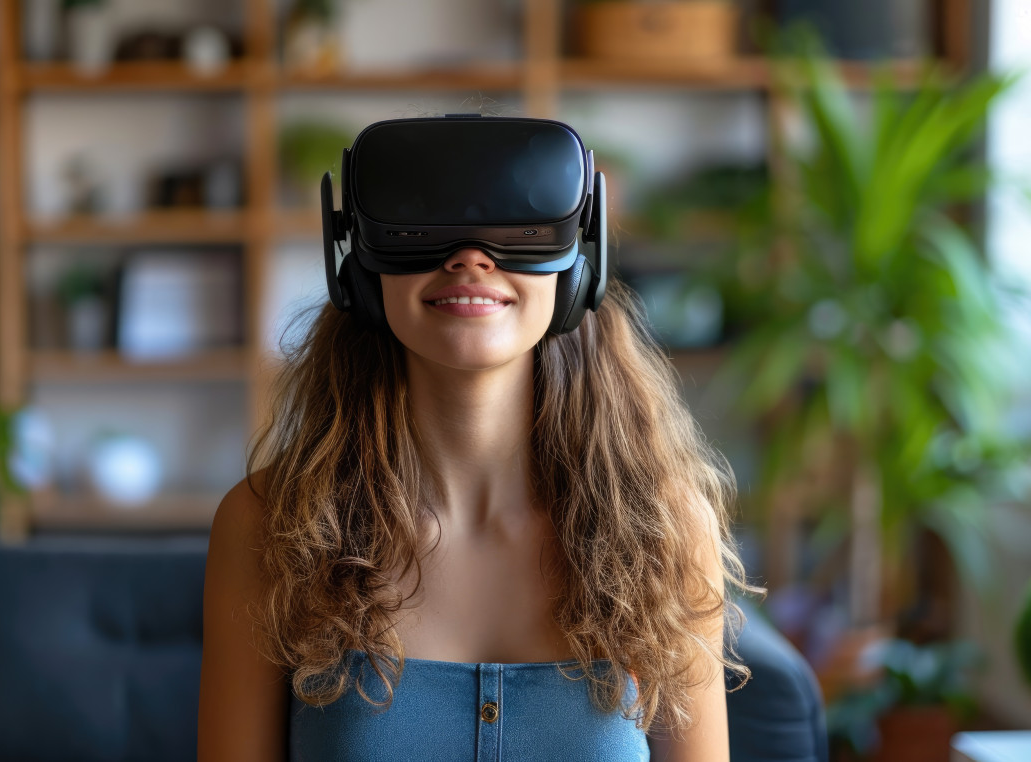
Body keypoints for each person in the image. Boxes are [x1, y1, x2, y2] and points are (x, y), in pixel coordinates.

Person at [198, 117, 756, 761]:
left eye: (519, 229)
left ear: (579, 261)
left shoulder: (662, 528)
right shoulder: (268, 526)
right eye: (419, 229)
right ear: (357, 265)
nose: (469, 257)